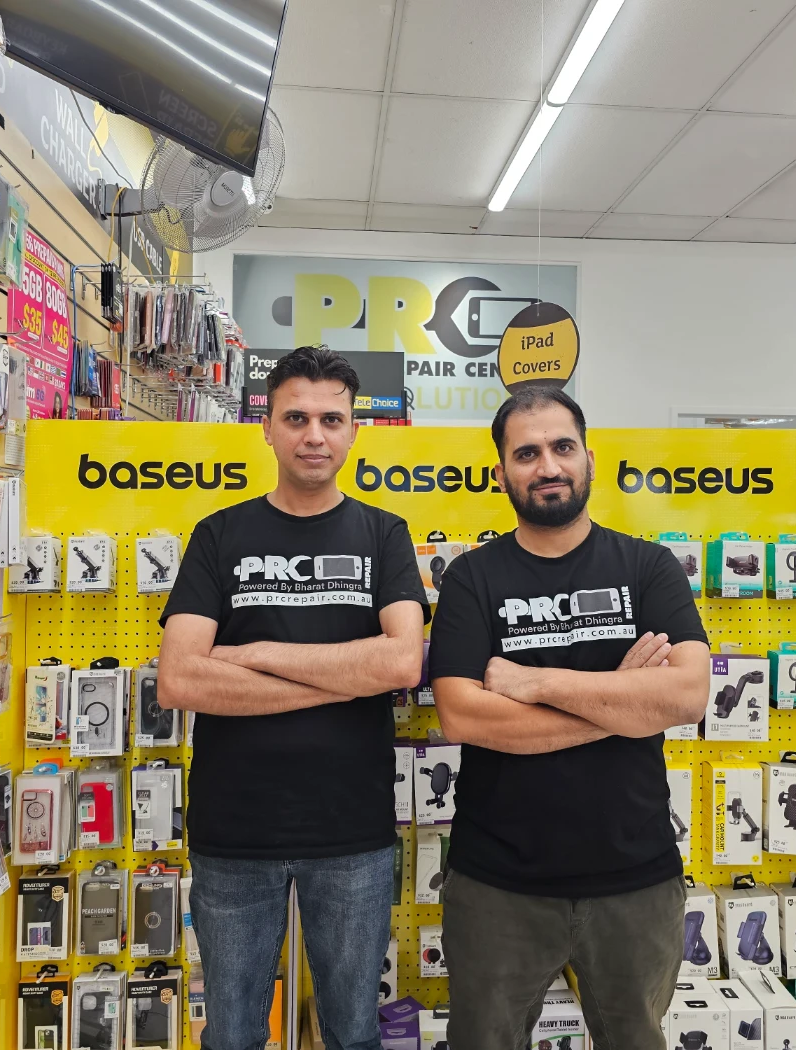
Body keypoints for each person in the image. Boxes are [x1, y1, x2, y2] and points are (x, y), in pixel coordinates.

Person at [157, 346, 428, 1050]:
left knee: (353, 1036)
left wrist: (259, 655)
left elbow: (402, 662)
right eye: (297, 418)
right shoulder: (219, 535)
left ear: (354, 431)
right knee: (233, 1036)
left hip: (352, 833)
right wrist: (342, 676)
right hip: (234, 834)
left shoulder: (385, 534)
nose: (315, 435)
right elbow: (181, 679)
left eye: (331, 419)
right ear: (267, 427)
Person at [428, 387, 710, 1050]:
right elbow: (463, 716)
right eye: (527, 453)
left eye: (562, 447)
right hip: (498, 887)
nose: (548, 466)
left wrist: (537, 683)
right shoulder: (470, 579)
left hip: (636, 881)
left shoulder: (648, 567)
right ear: (502, 472)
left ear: (589, 458)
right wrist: (626, 699)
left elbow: (688, 695)